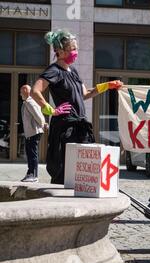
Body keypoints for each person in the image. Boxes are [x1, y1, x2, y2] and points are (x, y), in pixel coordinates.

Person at [31, 29, 123, 184]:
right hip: (65, 126)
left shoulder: (72, 71)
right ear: (60, 51)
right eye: (72, 49)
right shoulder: (54, 71)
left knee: (82, 168)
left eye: (76, 48)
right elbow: (35, 91)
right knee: (64, 169)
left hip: (80, 125)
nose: (76, 52)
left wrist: (107, 85)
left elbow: (85, 94)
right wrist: (51, 110)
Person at [20, 84, 46, 183]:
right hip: (30, 132)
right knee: (29, 153)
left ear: (26, 91)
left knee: (32, 154)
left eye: (21, 91)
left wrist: (43, 124)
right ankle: (30, 173)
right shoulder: (27, 102)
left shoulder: (30, 102)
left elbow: (38, 116)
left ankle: (34, 175)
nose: (20, 94)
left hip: (33, 132)